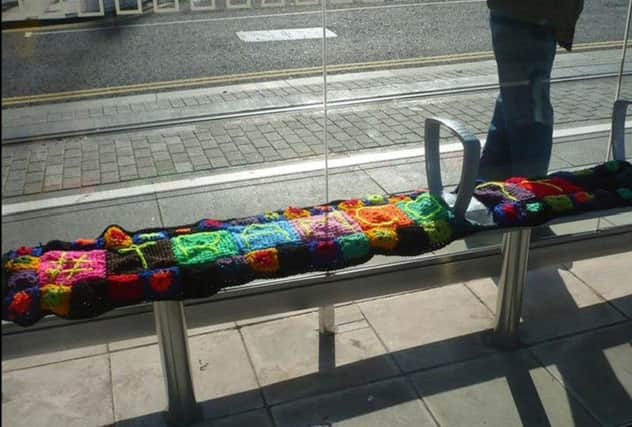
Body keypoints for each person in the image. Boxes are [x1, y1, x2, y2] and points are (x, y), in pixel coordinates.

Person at [479, 0, 584, 181]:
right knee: (531, 110)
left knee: (514, 101)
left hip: (517, 13)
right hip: (533, 17)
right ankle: (528, 190)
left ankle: (487, 185)